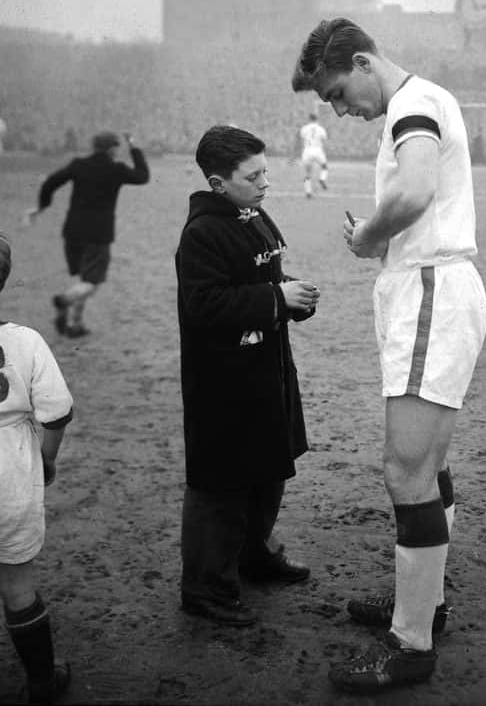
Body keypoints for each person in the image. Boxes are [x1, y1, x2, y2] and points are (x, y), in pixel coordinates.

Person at [292, 18, 486, 694]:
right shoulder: (420, 101)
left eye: (337, 93)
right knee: (427, 466)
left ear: (361, 62)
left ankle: (410, 645)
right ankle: (425, 606)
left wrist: (370, 237)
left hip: (430, 289)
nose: (339, 109)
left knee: (406, 471)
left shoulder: (412, 103)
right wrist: (382, 239)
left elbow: (413, 191)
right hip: (432, 287)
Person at [175, 125, 319, 627]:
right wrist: (276, 298)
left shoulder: (253, 214)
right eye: (252, 176)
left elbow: (262, 278)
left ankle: (255, 556)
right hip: (223, 384)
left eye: (265, 172)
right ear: (218, 183)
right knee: (220, 486)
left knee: (268, 468)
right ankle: (204, 589)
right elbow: (204, 305)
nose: (264, 183)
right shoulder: (201, 233)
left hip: (267, 370)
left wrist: (291, 296)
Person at [0, 233, 74, 704]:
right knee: (18, 586)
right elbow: (58, 413)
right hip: (10, 478)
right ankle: (43, 683)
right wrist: (46, 460)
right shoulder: (24, 342)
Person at [23, 131, 150, 337]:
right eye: (117, 147)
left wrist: (43, 206)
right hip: (98, 235)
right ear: (111, 148)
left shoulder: (79, 165)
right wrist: (134, 146)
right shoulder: (116, 169)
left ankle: (75, 325)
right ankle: (63, 301)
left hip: (72, 232)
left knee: (83, 279)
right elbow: (143, 176)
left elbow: (50, 183)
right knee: (91, 283)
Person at [294, 110, 329, 198]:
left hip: (307, 151)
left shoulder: (304, 128)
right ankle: (322, 178)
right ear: (317, 119)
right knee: (324, 167)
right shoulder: (321, 129)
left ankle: (308, 191)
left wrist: (296, 154)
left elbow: (300, 140)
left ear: (309, 119)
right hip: (318, 150)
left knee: (307, 173)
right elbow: (324, 140)